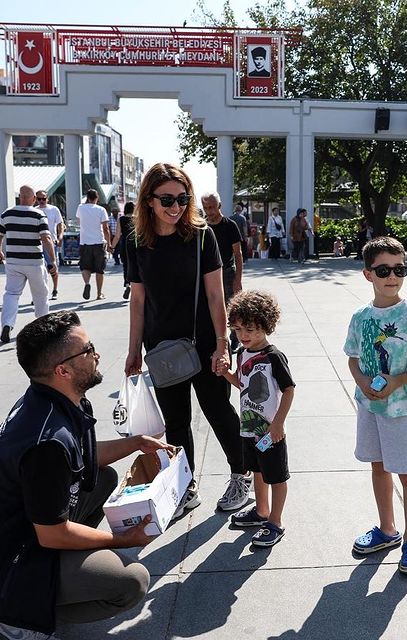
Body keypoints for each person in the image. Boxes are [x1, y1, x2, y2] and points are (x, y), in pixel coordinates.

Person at [0, 311, 167, 639]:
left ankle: (53, 583)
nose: (97, 354)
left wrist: (136, 444)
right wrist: (124, 540)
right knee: (132, 581)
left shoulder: (57, 398)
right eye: (88, 350)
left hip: (28, 526)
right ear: (62, 370)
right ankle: (19, 618)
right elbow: (51, 534)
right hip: (16, 556)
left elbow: (83, 456)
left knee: (101, 478)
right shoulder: (46, 443)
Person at [125, 163, 250, 516]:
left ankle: (242, 475)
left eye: (183, 198)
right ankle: (185, 485)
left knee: (217, 409)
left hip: (205, 342)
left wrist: (223, 345)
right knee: (176, 420)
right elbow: (138, 299)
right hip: (161, 345)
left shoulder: (201, 236)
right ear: (148, 200)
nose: (176, 206)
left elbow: (216, 295)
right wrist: (134, 349)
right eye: (167, 199)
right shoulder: (137, 241)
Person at [344, 237, 407, 575]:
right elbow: (353, 359)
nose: (392, 277)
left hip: (401, 409)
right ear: (367, 274)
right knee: (378, 467)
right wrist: (362, 383)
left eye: (400, 269)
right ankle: (387, 530)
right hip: (370, 407)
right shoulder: (360, 317)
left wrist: (397, 381)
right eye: (383, 270)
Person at [221, 290, 295, 547]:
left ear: (266, 325)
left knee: (276, 475)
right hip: (249, 428)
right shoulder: (242, 353)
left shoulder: (274, 357)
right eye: (238, 329)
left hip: (269, 432)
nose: (244, 336)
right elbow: (243, 385)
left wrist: (278, 423)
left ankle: (275, 521)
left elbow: (289, 390)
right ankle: (261, 510)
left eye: (251, 329)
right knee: (257, 470)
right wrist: (227, 374)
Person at [0, 185, 57, 344]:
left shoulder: (7, 213)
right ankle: (43, 327)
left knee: (11, 294)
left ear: (20, 197)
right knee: (40, 295)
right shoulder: (38, 214)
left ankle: (7, 324)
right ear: (33, 199)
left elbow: (0, 234)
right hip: (34, 262)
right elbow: (46, 238)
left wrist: (0, 250)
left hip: (13, 262)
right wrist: (52, 260)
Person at [201, 191, 243, 352]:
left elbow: (238, 254)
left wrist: (237, 279)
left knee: (233, 307)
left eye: (212, 207)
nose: (209, 211)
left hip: (226, 272)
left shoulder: (229, 225)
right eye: (205, 208)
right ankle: (214, 338)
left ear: (219, 206)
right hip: (207, 274)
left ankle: (235, 338)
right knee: (208, 307)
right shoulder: (201, 226)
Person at [75, 189, 110, 300]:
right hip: (98, 242)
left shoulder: (81, 208)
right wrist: (109, 243)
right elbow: (105, 228)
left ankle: (87, 283)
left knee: (85, 266)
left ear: (87, 197)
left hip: (85, 242)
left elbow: (79, 221)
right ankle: (99, 294)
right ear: (97, 197)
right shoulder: (101, 209)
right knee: (100, 269)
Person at [36, 190, 64, 298]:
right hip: (37, 243)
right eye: (39, 199)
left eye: (43, 198)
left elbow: (60, 224)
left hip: (51, 242)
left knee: (52, 266)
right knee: (40, 270)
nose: (41, 201)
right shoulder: (35, 210)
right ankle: (42, 293)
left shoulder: (53, 209)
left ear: (47, 199)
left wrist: (60, 237)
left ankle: (55, 289)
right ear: (35, 199)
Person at [110, 201, 135, 300]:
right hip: (136, 245)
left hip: (124, 244)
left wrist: (112, 247)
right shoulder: (137, 219)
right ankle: (135, 286)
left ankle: (127, 284)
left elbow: (117, 236)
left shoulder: (121, 219)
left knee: (126, 266)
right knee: (136, 265)